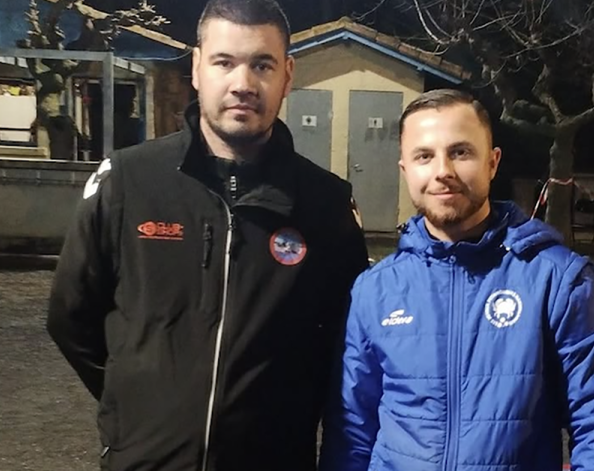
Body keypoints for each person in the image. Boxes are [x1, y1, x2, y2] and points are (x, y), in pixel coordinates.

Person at [46, 1, 369, 470]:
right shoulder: (127, 181)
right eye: (224, 62)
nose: (243, 84)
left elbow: (347, 346)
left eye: (262, 64)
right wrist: (135, 406)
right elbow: (71, 318)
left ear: (288, 74)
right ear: (197, 68)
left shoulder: (326, 205)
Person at [320, 89, 594, 471]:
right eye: (424, 156)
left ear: (492, 163)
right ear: (405, 169)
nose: (442, 171)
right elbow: (352, 429)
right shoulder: (375, 290)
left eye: (461, 152)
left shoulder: (559, 279)